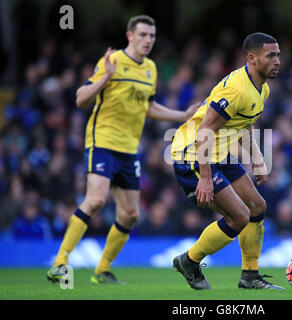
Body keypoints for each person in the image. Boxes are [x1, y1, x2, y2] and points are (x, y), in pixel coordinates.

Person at [46, 15, 199, 284]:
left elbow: (148, 107)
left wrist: (182, 114)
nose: (148, 40)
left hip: (129, 149)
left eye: (151, 36)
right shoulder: (113, 61)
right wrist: (105, 76)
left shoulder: (150, 68)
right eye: (142, 35)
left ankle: (102, 270)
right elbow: (81, 99)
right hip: (102, 141)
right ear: (129, 36)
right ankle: (59, 263)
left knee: (130, 214)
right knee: (95, 199)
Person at [171, 32, 283, 290]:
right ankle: (189, 261)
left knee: (257, 207)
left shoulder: (262, 89)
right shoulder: (236, 90)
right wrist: (207, 178)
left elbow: (243, 126)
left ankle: (250, 277)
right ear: (252, 59)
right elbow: (204, 132)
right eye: (271, 55)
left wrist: (258, 159)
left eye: (278, 55)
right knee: (240, 216)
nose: (277, 60)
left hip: (219, 153)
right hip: (192, 154)